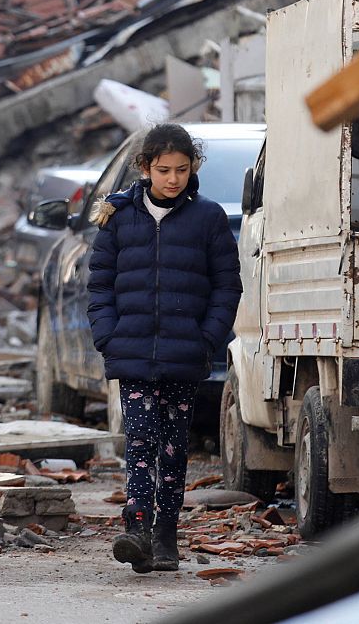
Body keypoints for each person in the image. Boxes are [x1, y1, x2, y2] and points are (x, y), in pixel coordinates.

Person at [87, 123, 241, 573]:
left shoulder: (208, 218)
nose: (172, 178)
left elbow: (226, 286)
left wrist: (207, 338)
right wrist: (108, 336)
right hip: (132, 353)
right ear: (145, 168)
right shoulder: (118, 218)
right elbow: (99, 285)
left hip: (184, 355)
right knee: (139, 439)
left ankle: (166, 534)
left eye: (181, 169)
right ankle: (135, 528)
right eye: (163, 169)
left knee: (173, 447)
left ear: (193, 168)